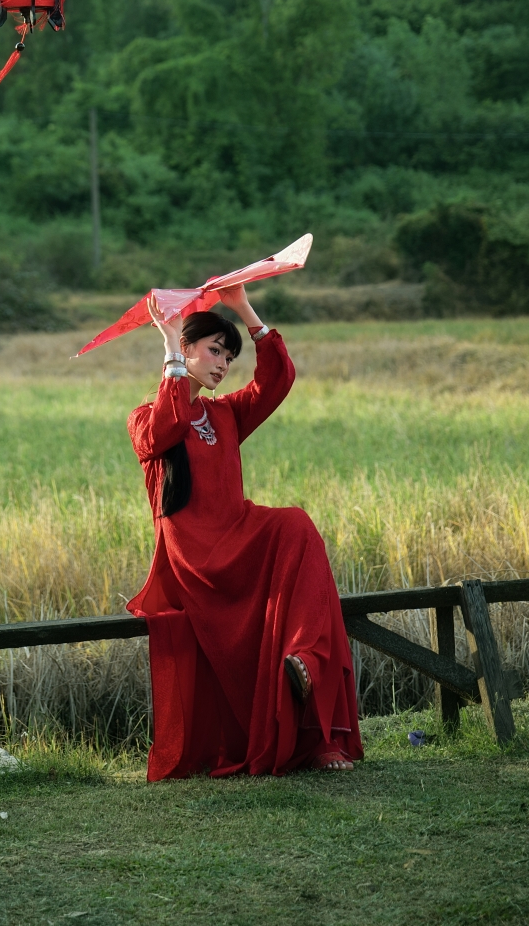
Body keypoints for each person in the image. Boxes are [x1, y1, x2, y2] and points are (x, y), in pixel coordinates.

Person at [126, 283, 362, 779]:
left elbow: (277, 381)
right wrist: (169, 346)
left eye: (229, 357)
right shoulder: (145, 419)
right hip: (196, 559)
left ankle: (306, 670)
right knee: (292, 528)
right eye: (215, 351)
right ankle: (303, 704)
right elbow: (167, 427)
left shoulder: (226, 413)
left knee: (295, 524)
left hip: (239, 537)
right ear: (186, 348)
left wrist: (243, 307)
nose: (223, 365)